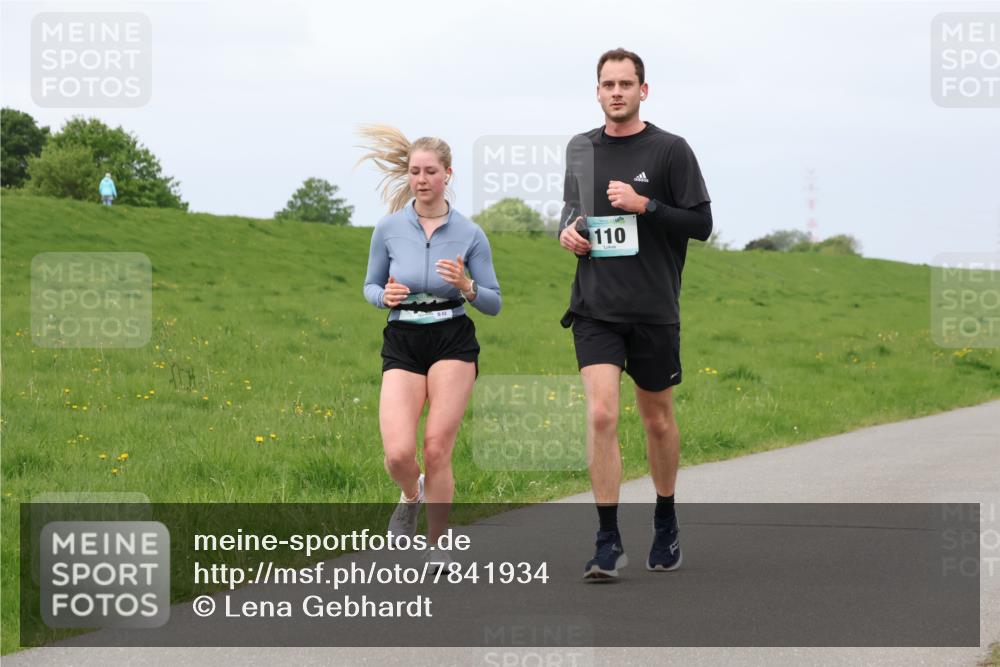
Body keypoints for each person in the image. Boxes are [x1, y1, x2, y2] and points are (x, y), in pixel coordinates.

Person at [558, 49, 713, 580]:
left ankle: (665, 520)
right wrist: (569, 233)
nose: (617, 91)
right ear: (597, 91)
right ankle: (607, 540)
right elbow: (569, 209)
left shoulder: (671, 150)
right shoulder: (581, 148)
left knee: (657, 419)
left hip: (653, 308)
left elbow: (701, 224)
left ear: (643, 91)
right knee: (601, 414)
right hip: (595, 306)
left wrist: (644, 205)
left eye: (626, 83)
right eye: (608, 83)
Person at [358, 125, 502, 570]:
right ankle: (410, 494)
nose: (421, 179)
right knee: (398, 453)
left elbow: (494, 302)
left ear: (447, 175)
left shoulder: (470, 233)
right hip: (403, 337)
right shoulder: (387, 228)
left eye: (430, 171)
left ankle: (438, 545)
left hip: (452, 337)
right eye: (414, 171)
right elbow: (369, 284)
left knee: (438, 446)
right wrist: (385, 297)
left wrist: (467, 285)